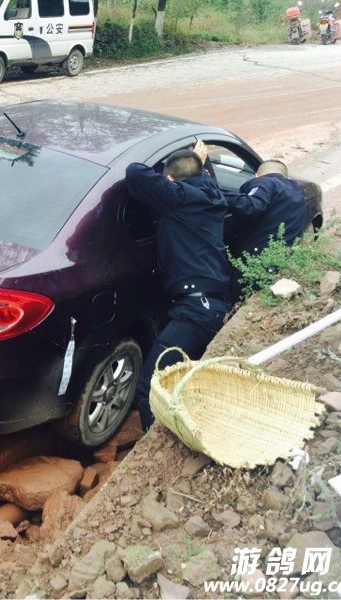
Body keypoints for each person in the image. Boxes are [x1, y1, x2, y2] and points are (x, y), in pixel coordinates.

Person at [125, 141, 232, 431]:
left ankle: (153, 450)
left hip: (195, 311)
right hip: (213, 305)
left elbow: (134, 172)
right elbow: (196, 179)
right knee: (180, 382)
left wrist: (174, 175)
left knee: (152, 387)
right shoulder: (212, 195)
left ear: (170, 181)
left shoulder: (179, 198)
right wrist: (197, 162)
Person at [225, 159, 306, 300]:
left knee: (236, 302)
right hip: (282, 264)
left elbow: (252, 206)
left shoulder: (265, 182)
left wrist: (216, 195)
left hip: (256, 266)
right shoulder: (297, 191)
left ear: (257, 175)